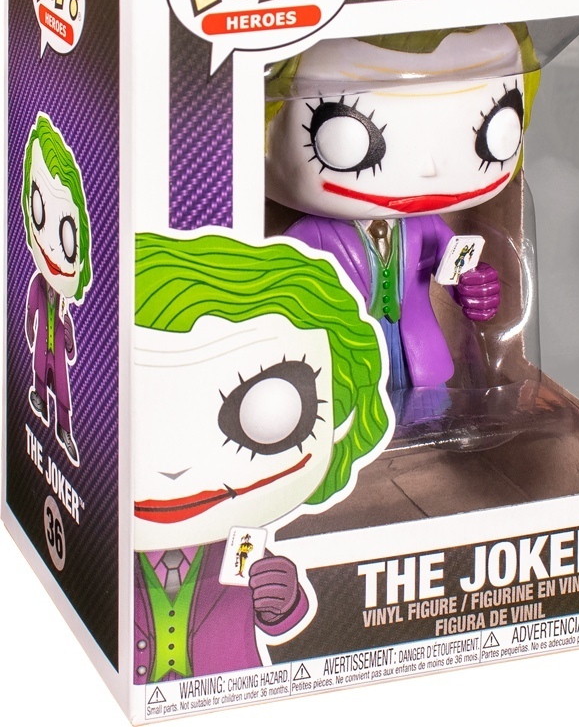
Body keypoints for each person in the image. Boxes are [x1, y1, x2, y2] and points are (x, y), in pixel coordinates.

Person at [131, 232, 393, 682]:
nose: (175, 471)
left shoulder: (242, 541)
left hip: (234, 691)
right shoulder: (108, 539)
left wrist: (283, 600)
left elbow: (281, 619)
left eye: (269, 412)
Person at [266, 24, 534, 423]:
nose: (430, 168)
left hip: (417, 352)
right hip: (343, 355)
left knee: (425, 422)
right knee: (350, 423)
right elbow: (284, 293)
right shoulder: (311, 235)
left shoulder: (426, 228)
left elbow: (457, 271)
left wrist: (477, 288)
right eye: (348, 135)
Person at [21, 113, 93, 467]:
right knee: (40, 376)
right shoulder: (37, 284)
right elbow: (30, 315)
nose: (51, 246)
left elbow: (68, 337)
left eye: (65, 238)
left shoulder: (63, 299)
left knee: (63, 394)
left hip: (58, 351)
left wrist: (70, 340)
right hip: (42, 348)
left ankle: (64, 430)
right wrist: (31, 333)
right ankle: (37, 398)